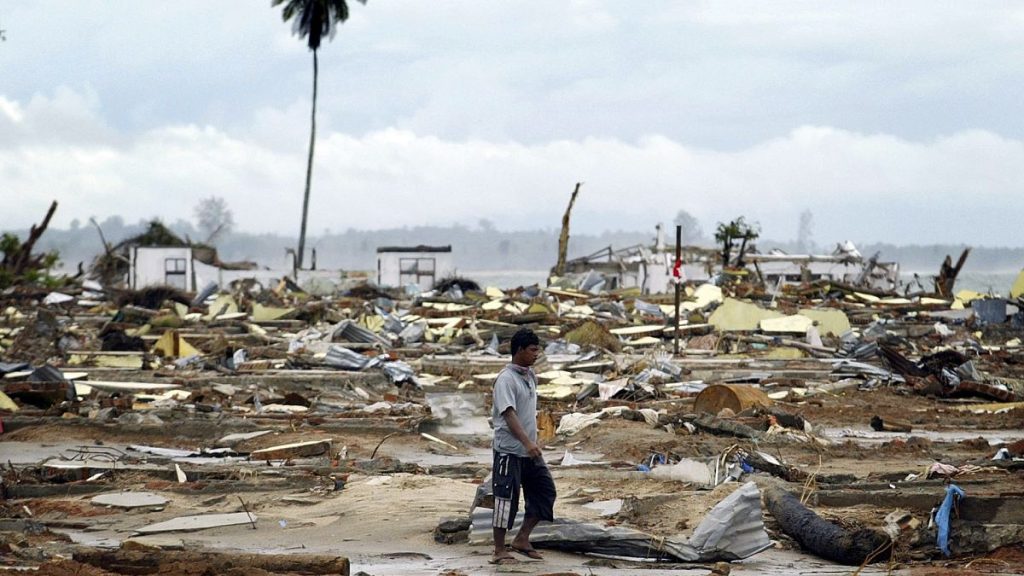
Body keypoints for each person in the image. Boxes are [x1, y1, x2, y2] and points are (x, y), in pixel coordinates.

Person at [490, 327, 556, 565]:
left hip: (529, 450)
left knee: (545, 492)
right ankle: (499, 550)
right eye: (532, 350)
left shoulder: (529, 376)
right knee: (505, 500)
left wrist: (533, 442)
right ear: (519, 350)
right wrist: (527, 442)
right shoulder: (505, 380)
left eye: (537, 349)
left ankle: (522, 538)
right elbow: (509, 414)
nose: (536, 354)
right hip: (510, 450)